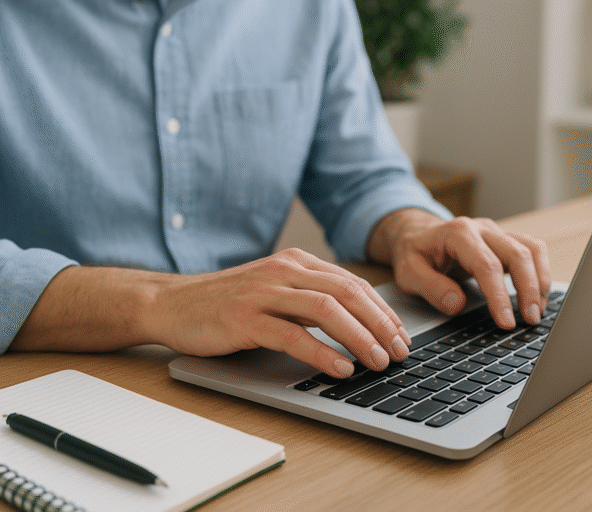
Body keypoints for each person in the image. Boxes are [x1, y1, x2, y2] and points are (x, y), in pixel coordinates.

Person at [0, 0, 550, 379]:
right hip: (48, 379)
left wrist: (413, 228)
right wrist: (159, 302)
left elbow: (362, 176)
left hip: (250, 368)